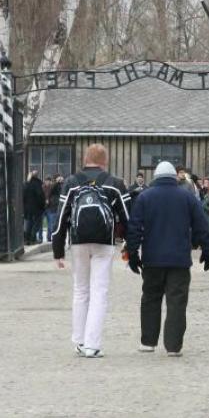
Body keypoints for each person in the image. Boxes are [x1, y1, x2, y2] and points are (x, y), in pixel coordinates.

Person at [126, 161, 209, 356]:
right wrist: (207, 251)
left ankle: (148, 341)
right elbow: (201, 225)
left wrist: (133, 254)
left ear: (155, 177)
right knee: (177, 301)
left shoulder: (144, 197)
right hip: (179, 259)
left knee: (150, 298)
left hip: (152, 258)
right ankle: (173, 346)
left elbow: (134, 228)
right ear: (174, 177)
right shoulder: (187, 197)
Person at [53, 144, 131, 359]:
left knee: (80, 291)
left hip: (78, 242)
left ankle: (78, 341)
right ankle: (93, 345)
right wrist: (132, 245)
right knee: (99, 292)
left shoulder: (71, 183)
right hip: (104, 243)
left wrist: (57, 249)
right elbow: (128, 217)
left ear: (85, 159)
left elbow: (61, 218)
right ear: (105, 161)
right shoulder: (114, 184)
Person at [23, 170, 46, 245]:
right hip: (36, 207)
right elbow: (40, 195)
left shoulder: (26, 184)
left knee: (29, 223)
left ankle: (27, 239)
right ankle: (32, 238)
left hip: (27, 208)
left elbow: (23, 196)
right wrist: (42, 205)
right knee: (36, 223)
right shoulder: (38, 184)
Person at [45, 174, 63, 242]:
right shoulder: (52, 186)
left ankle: (52, 237)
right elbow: (52, 189)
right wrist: (57, 182)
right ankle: (50, 237)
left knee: (55, 223)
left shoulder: (59, 186)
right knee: (51, 223)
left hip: (57, 207)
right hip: (52, 207)